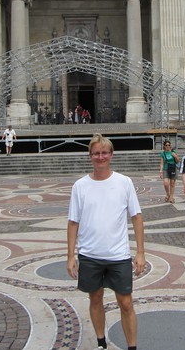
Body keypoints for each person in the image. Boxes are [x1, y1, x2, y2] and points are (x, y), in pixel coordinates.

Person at [67, 134, 145, 350]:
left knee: (126, 302)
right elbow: (73, 222)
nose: (100, 157)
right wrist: (70, 255)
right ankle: (101, 342)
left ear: (111, 155)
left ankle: (132, 347)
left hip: (118, 254)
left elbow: (136, 216)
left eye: (104, 153)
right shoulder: (80, 186)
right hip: (90, 254)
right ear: (90, 156)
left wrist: (140, 252)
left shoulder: (124, 182)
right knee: (95, 298)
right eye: (96, 153)